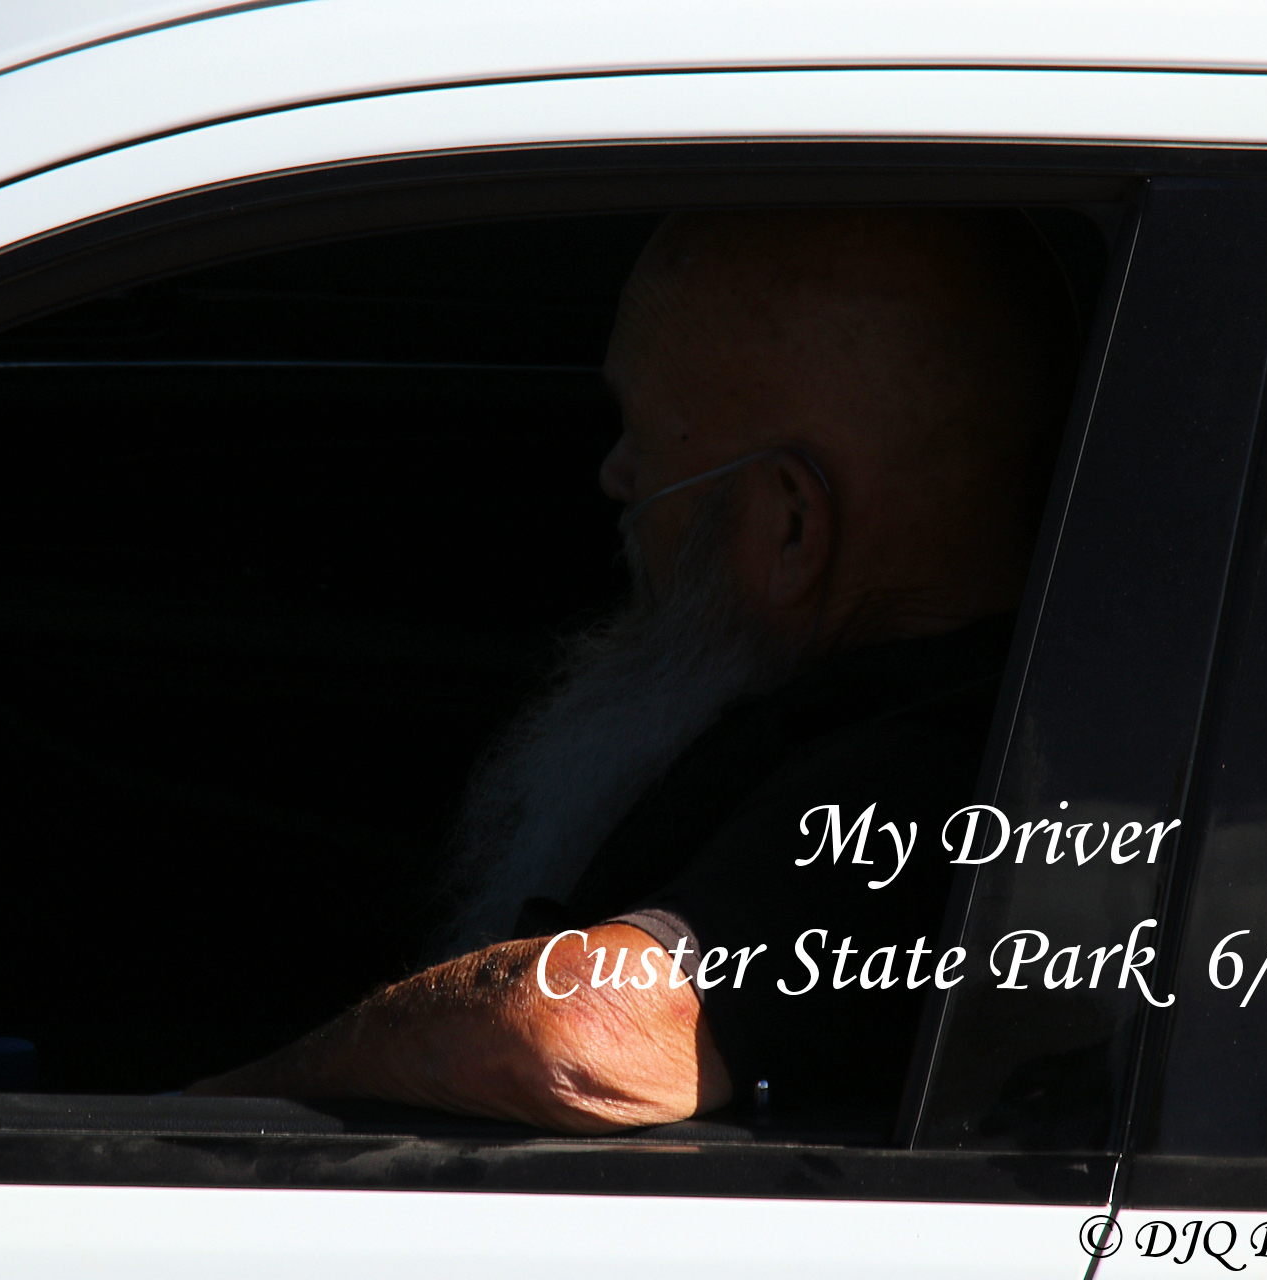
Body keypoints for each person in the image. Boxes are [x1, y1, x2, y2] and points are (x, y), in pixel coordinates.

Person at [188, 207, 1077, 1131]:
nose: (615, 474)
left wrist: (231, 1107)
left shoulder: (914, 788)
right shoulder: (984, 716)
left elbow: (578, 1030)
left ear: (790, 526)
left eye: (642, 439)